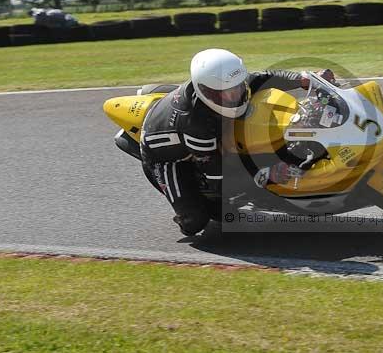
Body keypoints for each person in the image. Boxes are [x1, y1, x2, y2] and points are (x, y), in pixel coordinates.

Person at [139, 48, 334, 235]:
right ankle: (187, 212)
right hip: (165, 158)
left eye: (238, 87)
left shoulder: (227, 82)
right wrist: (265, 174)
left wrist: (304, 79)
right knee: (196, 221)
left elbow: (263, 78)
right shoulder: (195, 124)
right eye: (228, 93)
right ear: (208, 92)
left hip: (209, 131)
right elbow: (218, 177)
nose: (237, 95)